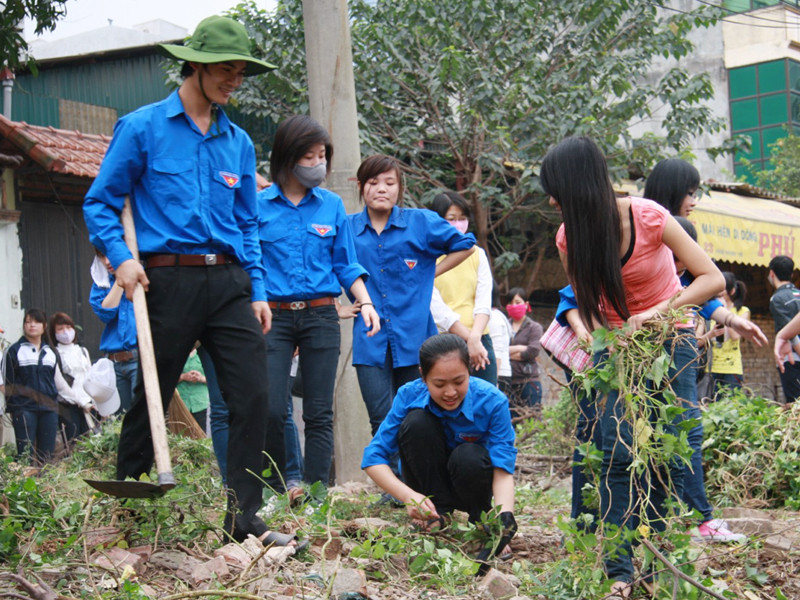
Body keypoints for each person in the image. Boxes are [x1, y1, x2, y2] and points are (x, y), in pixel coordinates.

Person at [83, 16, 298, 547]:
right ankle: (129, 500)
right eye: (227, 69)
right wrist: (121, 260)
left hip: (229, 283)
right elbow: (102, 202)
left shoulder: (239, 143)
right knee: (150, 393)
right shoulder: (143, 127)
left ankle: (243, 517)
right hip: (165, 282)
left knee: (255, 398)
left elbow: (248, 222)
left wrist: (260, 288)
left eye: (242, 72)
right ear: (196, 65)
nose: (235, 80)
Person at [541, 136, 724, 597]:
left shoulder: (649, 217)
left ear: (576, 188)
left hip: (671, 337)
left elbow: (711, 278)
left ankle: (665, 550)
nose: (550, 201)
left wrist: (657, 314)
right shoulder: (569, 237)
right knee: (617, 449)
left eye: (556, 192)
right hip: (617, 347)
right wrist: (611, 338)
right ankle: (618, 571)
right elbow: (589, 302)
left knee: (670, 441)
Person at [258, 114, 380, 490]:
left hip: (321, 315)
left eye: (322, 156)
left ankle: (315, 493)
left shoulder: (330, 206)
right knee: (273, 407)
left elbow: (346, 264)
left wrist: (367, 302)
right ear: (288, 156)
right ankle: (281, 487)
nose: (318, 165)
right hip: (273, 318)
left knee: (319, 412)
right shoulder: (258, 206)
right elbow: (250, 263)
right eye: (309, 157)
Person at [348, 154, 475, 438]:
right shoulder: (347, 228)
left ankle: (418, 481)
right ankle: (390, 483)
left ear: (399, 187)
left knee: (419, 418)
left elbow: (466, 244)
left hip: (416, 338)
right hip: (370, 340)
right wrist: (337, 307)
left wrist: (433, 272)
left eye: (390, 182)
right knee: (381, 420)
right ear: (360, 186)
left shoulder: (421, 222)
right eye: (373, 182)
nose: (382, 188)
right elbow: (327, 263)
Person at [362, 334, 517, 556]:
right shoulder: (408, 395)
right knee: (416, 423)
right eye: (439, 384)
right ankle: (435, 515)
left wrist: (505, 517)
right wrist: (408, 496)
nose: (450, 392)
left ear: (469, 372)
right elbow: (373, 458)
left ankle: (482, 524)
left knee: (469, 455)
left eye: (459, 381)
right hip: (428, 486)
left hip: (470, 479)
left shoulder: (492, 401)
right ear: (423, 377)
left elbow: (503, 469)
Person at [429, 191, 496, 384]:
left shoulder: (477, 253)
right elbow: (437, 309)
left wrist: (475, 337)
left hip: (480, 339)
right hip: (443, 342)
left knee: (486, 402)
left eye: (463, 218)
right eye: (452, 219)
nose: (458, 224)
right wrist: (470, 339)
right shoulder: (428, 257)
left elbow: (484, 300)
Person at [1, 309, 59, 469]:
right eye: (28, 322)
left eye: (36, 321)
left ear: (44, 326)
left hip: (49, 409)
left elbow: (55, 380)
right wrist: (16, 408)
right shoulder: (14, 351)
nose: (32, 325)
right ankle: (25, 489)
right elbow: (8, 383)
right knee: (25, 454)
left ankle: (47, 489)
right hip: (24, 409)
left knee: (47, 456)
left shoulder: (51, 352)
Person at [89, 250, 138, 414]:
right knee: (118, 421)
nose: (107, 261)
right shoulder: (101, 283)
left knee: (141, 415)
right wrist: (119, 281)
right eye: (102, 257)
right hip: (114, 363)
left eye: (110, 254)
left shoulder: (142, 276)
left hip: (140, 359)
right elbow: (106, 313)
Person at [48, 312, 94, 444]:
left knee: (91, 443)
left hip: (88, 403)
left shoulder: (83, 351)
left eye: (68, 327)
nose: (66, 332)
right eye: (60, 329)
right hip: (68, 405)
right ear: (54, 332)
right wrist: (80, 401)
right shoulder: (54, 353)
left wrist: (94, 401)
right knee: (74, 443)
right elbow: (60, 384)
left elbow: (90, 376)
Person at [705, 272, 749, 395]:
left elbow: (735, 337)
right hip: (711, 367)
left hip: (732, 368)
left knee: (731, 407)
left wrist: (725, 313)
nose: (718, 292)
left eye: (722, 289)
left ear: (732, 291)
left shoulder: (742, 311)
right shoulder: (710, 310)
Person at [504, 287, 543, 411]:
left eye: (517, 302)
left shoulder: (534, 327)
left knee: (532, 422)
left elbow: (532, 351)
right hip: (508, 382)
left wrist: (506, 352)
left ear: (526, 305)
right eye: (510, 303)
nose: (513, 305)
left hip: (529, 382)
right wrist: (521, 347)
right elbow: (496, 350)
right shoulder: (503, 325)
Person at [768, 255, 800, 404]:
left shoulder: (777, 299)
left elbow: (789, 331)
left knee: (794, 403)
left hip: (792, 357)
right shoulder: (798, 293)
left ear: (772, 273)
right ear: (792, 274)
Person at [176, 346, 210, 430]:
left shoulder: (204, 354)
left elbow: (217, 379)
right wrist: (183, 377)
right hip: (181, 404)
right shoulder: (176, 353)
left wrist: (201, 378)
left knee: (202, 436)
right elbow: (165, 379)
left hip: (201, 403)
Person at [489, 284, 513, 390]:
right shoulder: (496, 315)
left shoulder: (493, 317)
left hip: (498, 375)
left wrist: (494, 383)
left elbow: (496, 351)